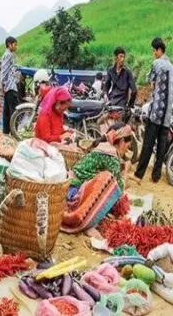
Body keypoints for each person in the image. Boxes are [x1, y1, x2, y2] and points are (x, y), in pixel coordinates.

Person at [63, 123, 132, 236]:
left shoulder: (104, 147)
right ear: (121, 142)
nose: (127, 149)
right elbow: (119, 188)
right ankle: (89, 223)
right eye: (127, 146)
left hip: (70, 186)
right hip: (74, 194)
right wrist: (126, 172)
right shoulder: (111, 157)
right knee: (109, 182)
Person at [134, 38, 173, 183]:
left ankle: (139, 174)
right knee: (162, 146)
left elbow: (151, 84)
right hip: (167, 115)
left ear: (158, 50)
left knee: (148, 143)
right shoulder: (171, 66)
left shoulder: (157, 64)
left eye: (154, 50)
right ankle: (156, 176)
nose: (153, 53)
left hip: (156, 112)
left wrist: (155, 87)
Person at [1, 37, 20, 135]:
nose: (16, 47)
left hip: (8, 86)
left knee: (7, 111)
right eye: (15, 44)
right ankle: (14, 133)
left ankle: (5, 132)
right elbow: (4, 71)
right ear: (9, 44)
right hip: (11, 86)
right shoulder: (9, 55)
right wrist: (2, 84)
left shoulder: (6, 55)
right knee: (14, 111)